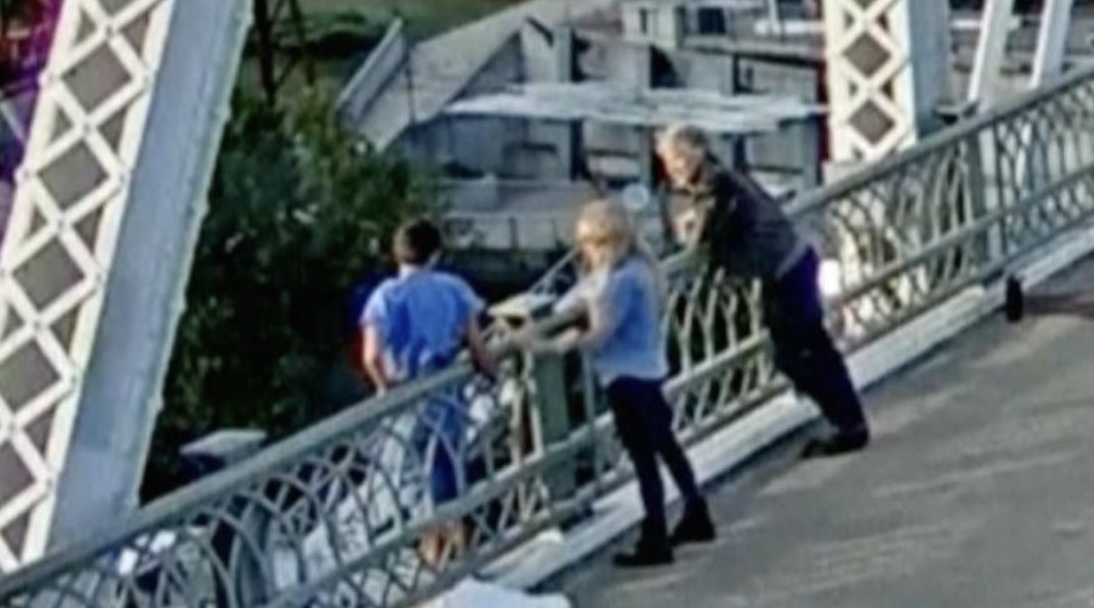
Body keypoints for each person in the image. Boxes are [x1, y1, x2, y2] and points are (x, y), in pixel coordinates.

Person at [657, 125, 870, 458]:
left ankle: (846, 423)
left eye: (677, 160)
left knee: (797, 356)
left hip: (784, 272)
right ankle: (848, 420)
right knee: (814, 349)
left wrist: (688, 227)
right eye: (669, 162)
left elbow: (704, 236)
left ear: (697, 151)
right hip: (794, 262)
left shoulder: (715, 185)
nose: (673, 170)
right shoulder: (725, 176)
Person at [540, 200, 714, 569]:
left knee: (644, 461)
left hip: (625, 379)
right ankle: (695, 509)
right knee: (666, 447)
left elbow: (599, 334)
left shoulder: (619, 282)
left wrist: (550, 345)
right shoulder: (643, 270)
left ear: (601, 243)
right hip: (650, 373)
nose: (583, 252)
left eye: (586, 244)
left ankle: (656, 537)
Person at [359, 219, 497, 571]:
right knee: (448, 473)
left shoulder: (384, 296)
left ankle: (428, 560)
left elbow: (371, 355)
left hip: (406, 397)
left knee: (409, 477)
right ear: (436, 254)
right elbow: (477, 345)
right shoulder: (453, 288)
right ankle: (460, 556)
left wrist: (385, 386)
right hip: (447, 394)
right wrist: (491, 371)